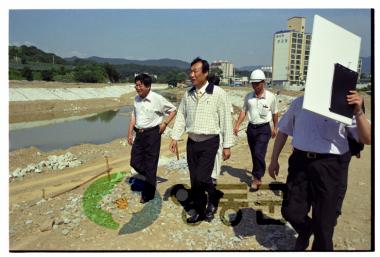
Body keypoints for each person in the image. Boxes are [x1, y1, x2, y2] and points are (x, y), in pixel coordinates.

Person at [268, 90, 371, 251]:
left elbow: (368, 138)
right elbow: (283, 131)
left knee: (324, 225)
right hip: (300, 163)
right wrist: (274, 160)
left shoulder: (344, 106)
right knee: (291, 212)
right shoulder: (299, 102)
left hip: (330, 166)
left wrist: (358, 111)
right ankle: (305, 230)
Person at [170, 57, 234, 223]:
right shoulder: (188, 93)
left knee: (202, 178)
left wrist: (227, 145)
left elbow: (226, 120)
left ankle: (213, 198)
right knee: (194, 179)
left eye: (195, 71)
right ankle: (199, 210)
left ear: (205, 73)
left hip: (209, 142)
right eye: (190, 71)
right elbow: (181, 117)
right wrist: (175, 137)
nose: (192, 74)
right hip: (192, 142)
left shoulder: (219, 94)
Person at [127, 73, 176, 204]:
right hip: (140, 134)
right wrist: (130, 133)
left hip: (153, 134)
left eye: (140, 85)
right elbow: (133, 117)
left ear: (148, 86)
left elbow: (173, 110)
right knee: (134, 162)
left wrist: (165, 124)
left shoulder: (157, 98)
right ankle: (151, 176)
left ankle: (148, 194)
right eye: (136, 85)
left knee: (151, 162)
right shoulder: (136, 99)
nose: (137, 88)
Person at [233, 69, 278, 190]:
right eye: (253, 83)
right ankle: (256, 173)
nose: (255, 86)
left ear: (263, 82)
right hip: (251, 128)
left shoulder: (271, 97)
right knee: (254, 154)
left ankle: (257, 177)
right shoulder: (248, 97)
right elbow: (243, 111)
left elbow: (275, 113)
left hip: (264, 129)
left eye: (257, 83)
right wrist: (237, 125)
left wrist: (275, 127)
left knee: (259, 152)